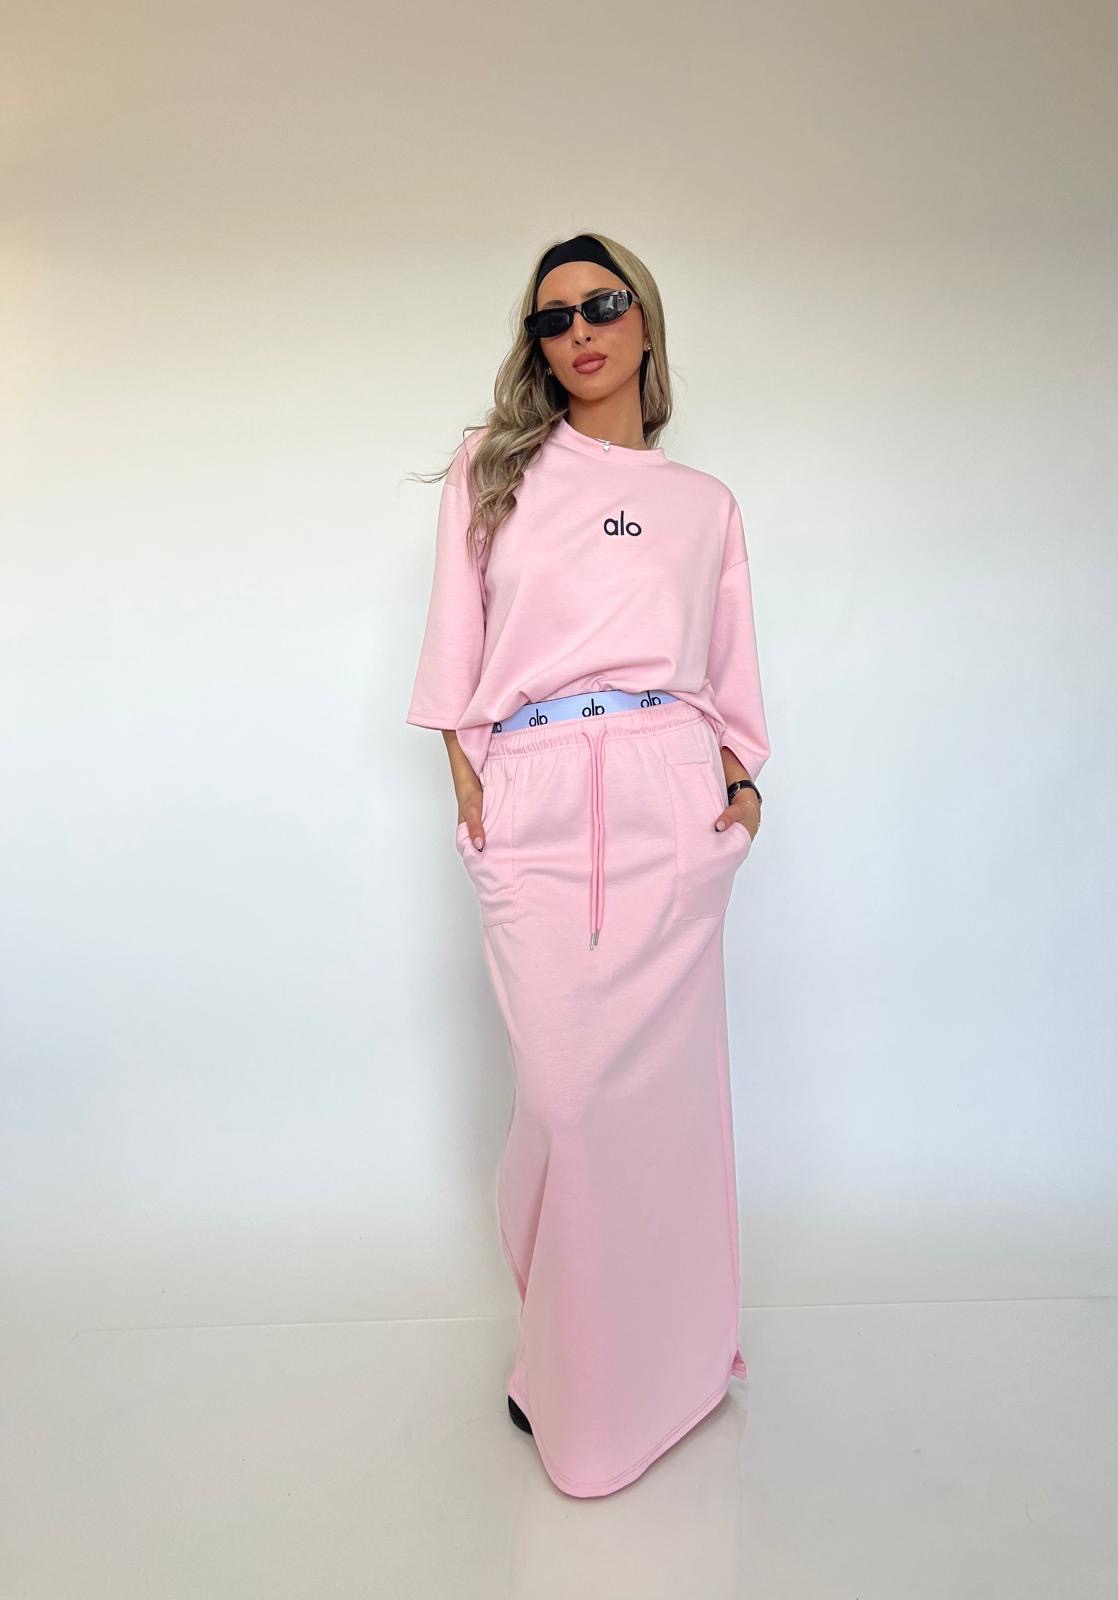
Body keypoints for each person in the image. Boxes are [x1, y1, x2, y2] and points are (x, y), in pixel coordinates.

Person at [405, 232, 771, 1498]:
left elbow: (729, 676)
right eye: (551, 317)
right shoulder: (492, 470)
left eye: (601, 305)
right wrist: (474, 794)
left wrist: (737, 795)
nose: (579, 332)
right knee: (562, 1105)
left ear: (643, 321)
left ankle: (669, 1371)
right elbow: (453, 647)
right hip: (538, 790)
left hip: (670, 795)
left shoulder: (703, 505)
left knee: (657, 1109)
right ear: (537, 344)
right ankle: (570, 1368)